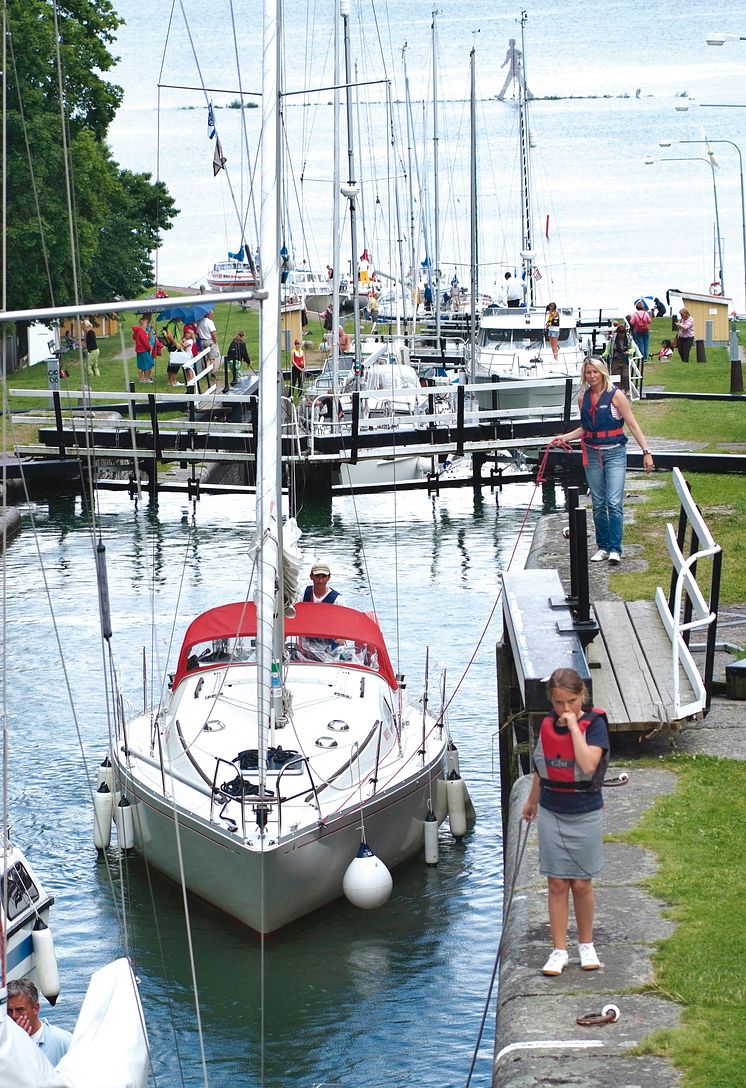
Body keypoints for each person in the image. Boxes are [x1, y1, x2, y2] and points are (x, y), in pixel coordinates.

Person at [521, 668, 610, 976]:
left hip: (585, 811)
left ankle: (586, 944)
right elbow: (540, 768)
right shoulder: (546, 725)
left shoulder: (595, 726)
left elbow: (587, 764)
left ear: (581, 696)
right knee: (557, 883)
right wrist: (532, 801)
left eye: (571, 701)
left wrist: (573, 727)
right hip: (553, 811)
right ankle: (558, 950)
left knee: (582, 883)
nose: (565, 709)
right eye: (559, 703)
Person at [550, 355, 655, 565]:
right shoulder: (583, 399)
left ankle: (616, 548)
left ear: (602, 372)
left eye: (595, 372)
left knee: (614, 502)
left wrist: (646, 452)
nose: (591, 376)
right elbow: (586, 428)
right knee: (598, 503)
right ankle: (603, 547)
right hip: (592, 452)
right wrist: (564, 437)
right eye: (588, 373)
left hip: (615, 452)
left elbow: (632, 425)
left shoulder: (616, 396)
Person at [7, 978, 73, 1065]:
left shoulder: (64, 1042)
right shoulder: (4, 1045)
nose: (14, 1016)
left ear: (36, 1008)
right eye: (9, 1011)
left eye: (20, 1009)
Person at [601, 320, 637, 394]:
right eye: (620, 333)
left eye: (622, 333)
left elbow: (633, 348)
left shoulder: (629, 338)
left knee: (625, 376)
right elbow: (608, 349)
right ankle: (617, 391)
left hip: (625, 360)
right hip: (615, 360)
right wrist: (603, 355)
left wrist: (628, 352)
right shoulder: (613, 339)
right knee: (615, 376)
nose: (621, 335)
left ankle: (626, 391)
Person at [132, 314, 154, 383]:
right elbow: (145, 341)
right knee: (149, 363)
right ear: (142, 324)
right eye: (146, 323)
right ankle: (146, 378)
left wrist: (150, 329)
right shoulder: (141, 331)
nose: (147, 324)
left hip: (139, 351)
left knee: (140, 365)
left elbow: (147, 338)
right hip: (144, 350)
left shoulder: (138, 331)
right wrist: (149, 347)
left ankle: (141, 379)